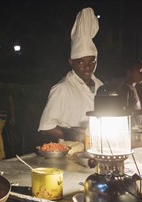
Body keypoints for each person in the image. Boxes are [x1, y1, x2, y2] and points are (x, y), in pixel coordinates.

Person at [38, 7, 103, 142]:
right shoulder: (62, 88)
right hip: (71, 154)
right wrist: (74, 136)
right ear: (71, 62)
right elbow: (46, 126)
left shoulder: (100, 86)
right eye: (81, 62)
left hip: (98, 147)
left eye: (91, 61)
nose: (87, 66)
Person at [116, 59, 142, 126]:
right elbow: (121, 111)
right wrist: (141, 111)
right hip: (130, 131)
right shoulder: (125, 88)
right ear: (129, 72)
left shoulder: (132, 88)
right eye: (140, 71)